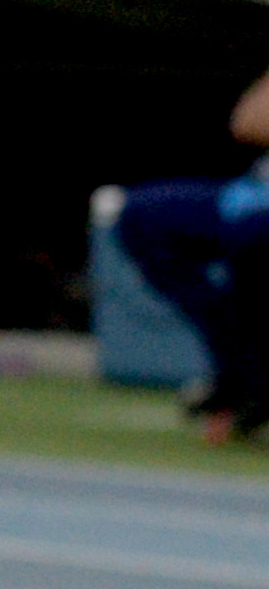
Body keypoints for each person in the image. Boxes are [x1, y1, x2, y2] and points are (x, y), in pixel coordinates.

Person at [111, 66, 269, 439]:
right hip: (253, 197)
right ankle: (240, 368)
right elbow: (248, 122)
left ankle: (256, 378)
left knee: (254, 239)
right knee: (144, 217)